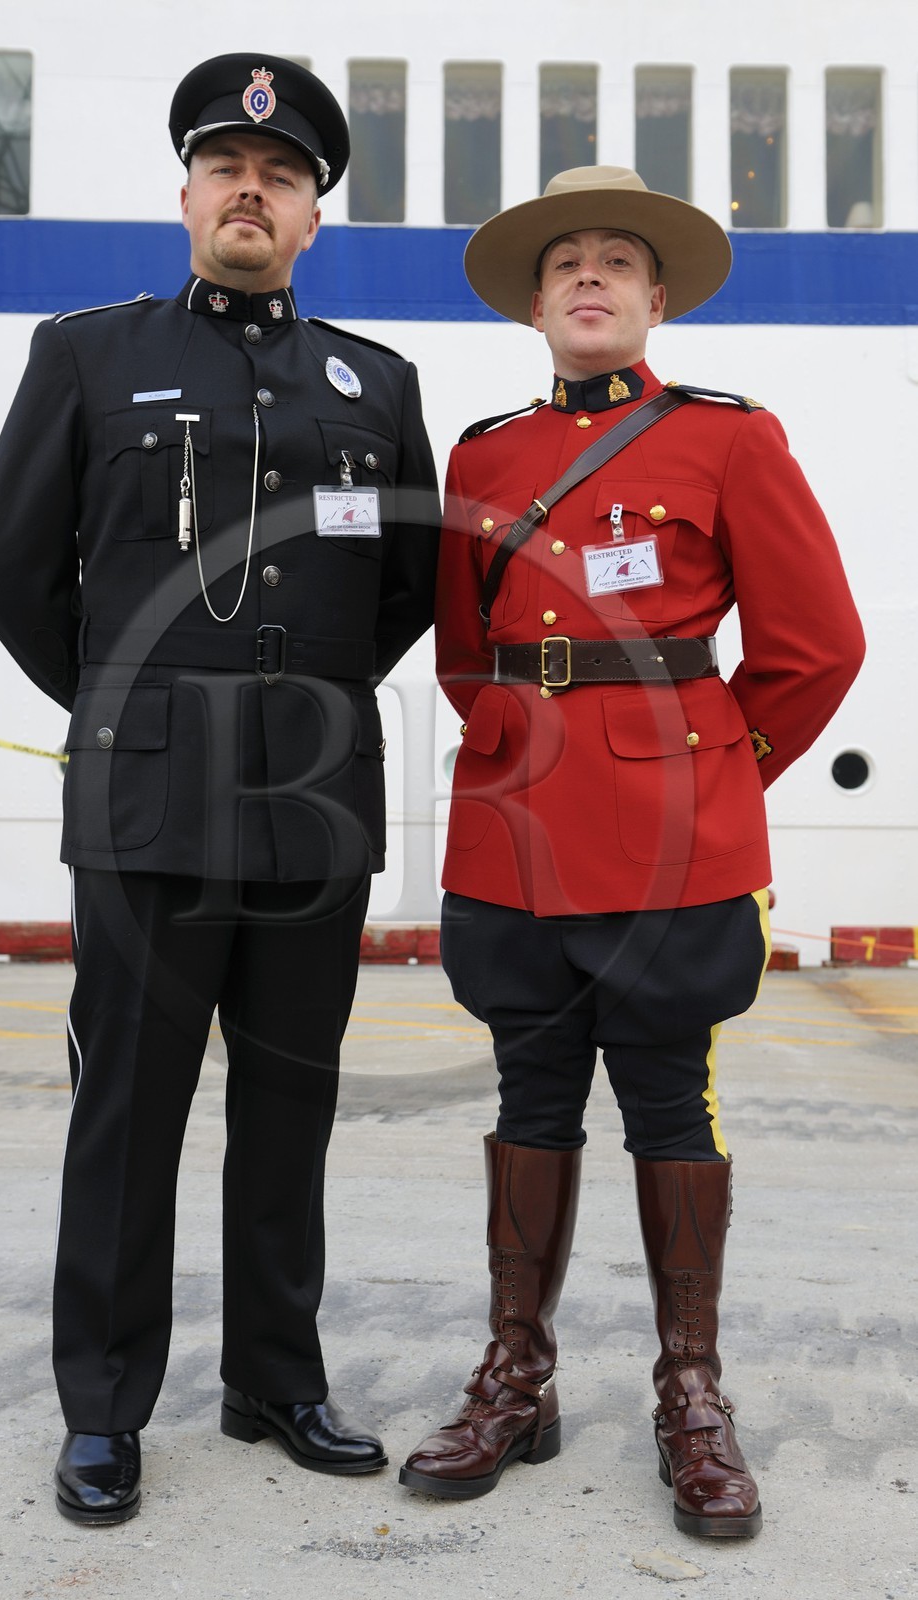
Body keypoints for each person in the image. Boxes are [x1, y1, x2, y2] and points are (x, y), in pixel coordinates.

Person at [0, 53, 438, 1525]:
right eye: (230, 168)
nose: (254, 189)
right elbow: (7, 568)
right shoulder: (89, 355)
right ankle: (104, 1409)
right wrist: (130, 710)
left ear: (311, 219)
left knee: (290, 1104)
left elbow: (406, 586)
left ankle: (274, 1379)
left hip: (311, 801)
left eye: (283, 175)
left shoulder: (377, 382)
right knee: (130, 1109)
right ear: (187, 195)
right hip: (148, 798)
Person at [399, 166, 863, 1536]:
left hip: (674, 827)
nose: (589, 279)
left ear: (655, 298)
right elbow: (461, 653)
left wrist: (714, 766)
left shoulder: (727, 439)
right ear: (536, 305)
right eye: (564, 266)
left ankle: (689, 1390)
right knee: (526, 1092)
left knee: (668, 1099)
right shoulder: (480, 456)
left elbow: (813, 646)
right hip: (517, 824)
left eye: (615, 262)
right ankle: (517, 1373)